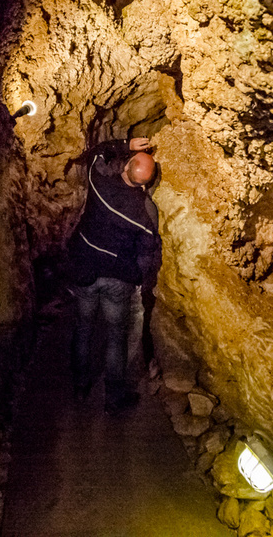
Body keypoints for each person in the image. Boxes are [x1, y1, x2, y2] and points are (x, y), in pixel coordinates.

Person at [67, 136, 160, 415]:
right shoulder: (146, 212)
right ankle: (113, 398)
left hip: (84, 269)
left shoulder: (100, 183)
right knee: (116, 337)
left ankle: (81, 385)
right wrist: (141, 282)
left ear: (126, 167)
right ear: (145, 184)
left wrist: (127, 144)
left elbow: (97, 152)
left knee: (83, 328)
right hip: (117, 279)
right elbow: (146, 252)